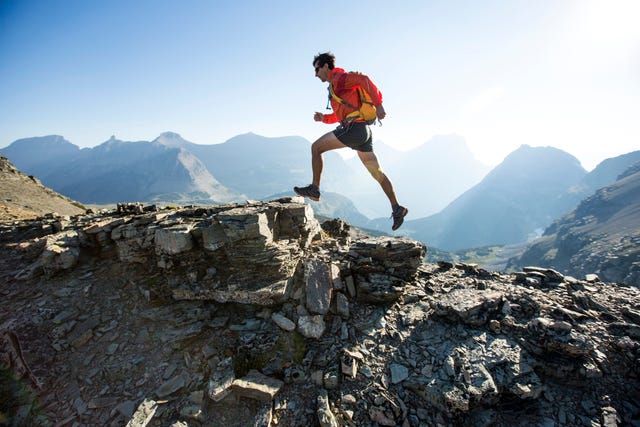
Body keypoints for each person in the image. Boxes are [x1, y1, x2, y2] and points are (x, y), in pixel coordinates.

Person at [294, 52, 409, 231]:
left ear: (325, 66)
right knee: (377, 172)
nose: (315, 74)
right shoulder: (334, 86)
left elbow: (364, 79)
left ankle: (314, 189)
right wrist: (323, 118)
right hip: (363, 131)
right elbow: (341, 115)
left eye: (317, 69)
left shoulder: (339, 78)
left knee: (316, 148)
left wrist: (378, 104)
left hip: (354, 129)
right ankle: (397, 208)